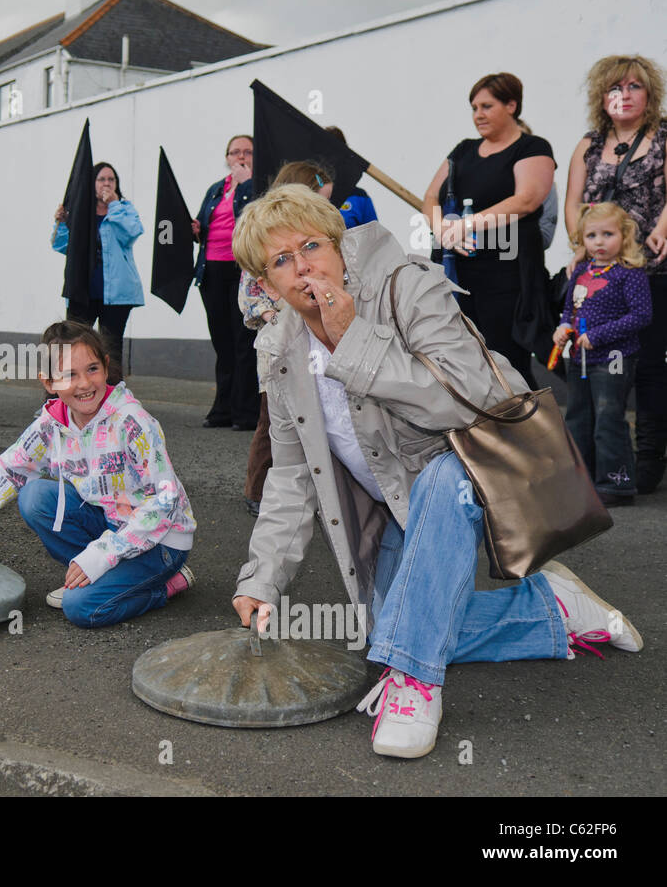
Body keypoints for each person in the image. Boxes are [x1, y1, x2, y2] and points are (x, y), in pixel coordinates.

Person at [231, 184, 641, 760]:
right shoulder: (278, 350)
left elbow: (469, 401)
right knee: (388, 632)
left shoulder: (408, 285)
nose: (303, 268)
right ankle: (549, 610)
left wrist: (356, 342)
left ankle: (416, 687)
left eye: (312, 246)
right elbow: (292, 475)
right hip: (401, 509)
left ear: (340, 245)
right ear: (265, 283)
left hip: (479, 472)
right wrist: (263, 578)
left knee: (443, 486)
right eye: (281, 261)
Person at [0, 321, 197, 628]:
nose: (84, 384)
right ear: (49, 382)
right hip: (110, 524)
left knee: (81, 608)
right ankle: (104, 576)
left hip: (162, 541)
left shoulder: (132, 421)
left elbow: (165, 499)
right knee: (34, 496)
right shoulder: (51, 425)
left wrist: (102, 555)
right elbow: (6, 473)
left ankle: (163, 585)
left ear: (106, 367)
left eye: (92, 369)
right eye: (69, 375)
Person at [563, 55, 667, 493]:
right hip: (599, 273)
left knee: (648, 366)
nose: (623, 96)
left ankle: (647, 460)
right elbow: (573, 203)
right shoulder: (589, 143)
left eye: (633, 87)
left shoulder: (663, 137)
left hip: (649, 266)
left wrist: (662, 229)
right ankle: (600, 465)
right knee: (597, 370)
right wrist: (578, 246)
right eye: (614, 89)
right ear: (601, 97)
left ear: (649, 94)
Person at [422, 72, 556, 389]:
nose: (478, 115)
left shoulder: (532, 147)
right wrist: (442, 228)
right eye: (474, 108)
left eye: (486, 106)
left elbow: (526, 199)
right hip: (460, 274)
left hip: (508, 273)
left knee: (508, 362)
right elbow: (430, 196)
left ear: (512, 105)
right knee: (467, 361)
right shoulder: (463, 150)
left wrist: (468, 224)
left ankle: (530, 434)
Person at [238, 160, 338, 516]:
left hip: (307, 342)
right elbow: (249, 296)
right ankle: (257, 489)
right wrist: (271, 313)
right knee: (273, 421)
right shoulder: (263, 250)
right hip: (276, 350)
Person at [553, 202, 651, 506]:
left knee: (609, 417)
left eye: (607, 234)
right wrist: (563, 326)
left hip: (615, 358)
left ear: (623, 236)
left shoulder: (629, 274)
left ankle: (616, 484)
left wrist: (598, 335)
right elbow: (570, 309)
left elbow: (641, 316)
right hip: (581, 358)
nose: (599, 241)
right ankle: (582, 480)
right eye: (592, 235)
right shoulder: (581, 271)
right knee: (578, 418)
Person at [52, 162, 145, 383]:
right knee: (72, 345)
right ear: (91, 183)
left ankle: (114, 403)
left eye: (111, 180)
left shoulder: (124, 207)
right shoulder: (79, 211)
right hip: (83, 289)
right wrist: (62, 223)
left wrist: (113, 206)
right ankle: (61, 398)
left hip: (117, 294)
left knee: (111, 350)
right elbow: (61, 246)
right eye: (101, 179)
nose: (106, 184)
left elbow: (131, 233)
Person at [192, 134, 259, 429]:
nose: (240, 156)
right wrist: (196, 228)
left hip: (242, 269)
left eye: (247, 151)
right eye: (235, 152)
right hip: (213, 270)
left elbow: (254, 218)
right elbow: (205, 223)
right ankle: (223, 409)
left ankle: (245, 412)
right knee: (222, 342)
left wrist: (245, 184)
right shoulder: (216, 189)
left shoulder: (258, 187)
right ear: (227, 157)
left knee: (244, 341)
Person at [322, 126, 379, 228]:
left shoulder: (359, 196)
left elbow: (374, 237)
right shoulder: (303, 194)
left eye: (335, 153)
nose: (331, 160)